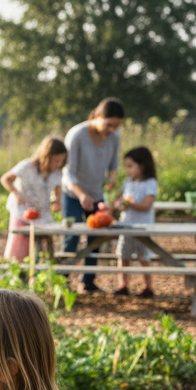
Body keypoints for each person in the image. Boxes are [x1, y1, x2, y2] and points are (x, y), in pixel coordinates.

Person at [62, 98, 125, 293]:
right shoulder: (77, 135)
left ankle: (87, 282)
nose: (111, 129)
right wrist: (81, 194)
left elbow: (113, 164)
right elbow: (68, 172)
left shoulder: (114, 137)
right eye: (109, 124)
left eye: (116, 126)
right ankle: (62, 281)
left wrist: (112, 179)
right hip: (73, 193)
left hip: (96, 194)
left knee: (96, 237)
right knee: (72, 236)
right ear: (98, 116)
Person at [0, 136, 67, 261]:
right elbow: (5, 179)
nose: (59, 164)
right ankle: (17, 271)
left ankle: (40, 270)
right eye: (56, 160)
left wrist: (57, 202)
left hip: (41, 213)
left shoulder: (57, 172)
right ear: (46, 156)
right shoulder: (27, 166)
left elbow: (58, 188)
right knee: (19, 244)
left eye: (62, 161)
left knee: (44, 244)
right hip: (22, 210)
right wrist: (16, 193)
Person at [111, 146, 159, 298]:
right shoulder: (127, 182)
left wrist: (129, 204)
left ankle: (148, 287)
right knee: (123, 256)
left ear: (142, 165)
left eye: (131, 166)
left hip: (142, 228)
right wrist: (117, 205)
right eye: (126, 166)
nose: (128, 170)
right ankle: (123, 285)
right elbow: (118, 201)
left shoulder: (150, 183)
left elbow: (146, 205)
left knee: (143, 257)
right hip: (125, 225)